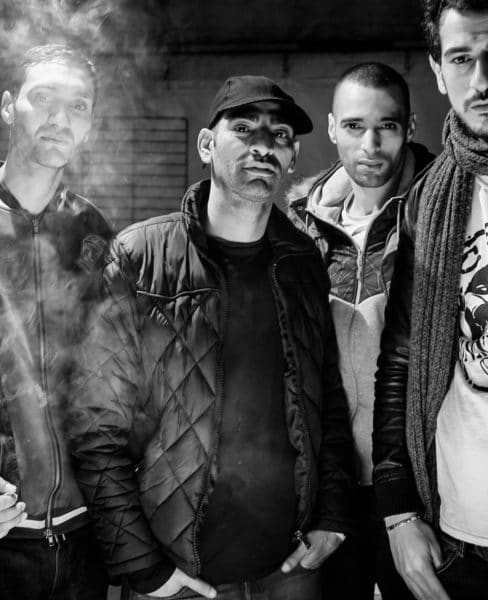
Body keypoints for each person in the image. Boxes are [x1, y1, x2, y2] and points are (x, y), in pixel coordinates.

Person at [69, 75, 355, 600]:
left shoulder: (302, 263)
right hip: (177, 576)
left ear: (292, 158)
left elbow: (328, 404)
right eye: (243, 129)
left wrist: (331, 517)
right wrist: (144, 568)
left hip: (290, 570)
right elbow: (96, 429)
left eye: (280, 135)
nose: (263, 145)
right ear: (206, 145)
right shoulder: (140, 258)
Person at [373, 1, 488, 599]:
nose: (481, 80)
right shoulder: (426, 200)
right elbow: (400, 361)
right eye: (460, 58)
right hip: (460, 547)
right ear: (437, 71)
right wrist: (398, 512)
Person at [289, 62, 433, 600]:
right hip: (331, 490)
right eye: (354, 126)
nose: (370, 145)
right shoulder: (299, 223)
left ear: (409, 127)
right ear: (331, 128)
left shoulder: (440, 211)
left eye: (386, 126)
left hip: (425, 488)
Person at [0, 45, 112, 599]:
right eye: (43, 98)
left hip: (84, 537)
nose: (59, 118)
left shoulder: (94, 231)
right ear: (7, 106)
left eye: (78, 106)